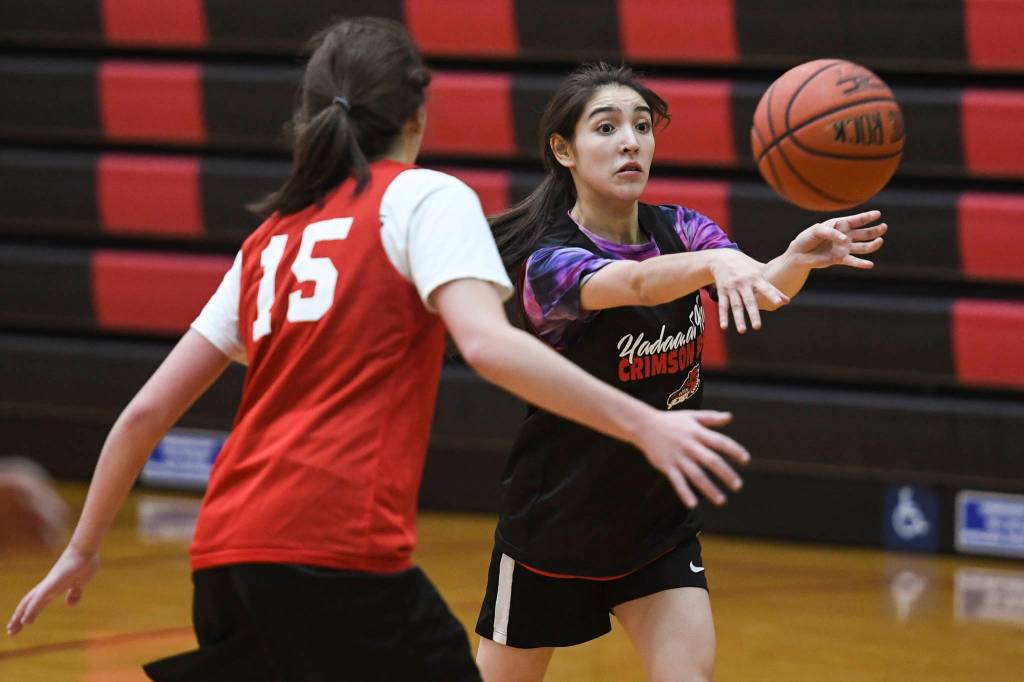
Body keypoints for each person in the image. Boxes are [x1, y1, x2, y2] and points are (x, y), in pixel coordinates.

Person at [5, 22, 753, 682]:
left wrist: (84, 544)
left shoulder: (273, 236)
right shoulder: (426, 198)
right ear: (418, 112)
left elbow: (145, 411)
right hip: (338, 547)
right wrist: (644, 422)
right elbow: (489, 348)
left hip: (225, 552)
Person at [475, 63, 887, 682]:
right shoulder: (550, 262)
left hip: (656, 526)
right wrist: (715, 263)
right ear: (563, 150)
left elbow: (761, 290)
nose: (630, 142)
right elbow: (637, 281)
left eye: (642, 126)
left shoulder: (684, 229)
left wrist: (793, 261)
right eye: (607, 127)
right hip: (554, 527)